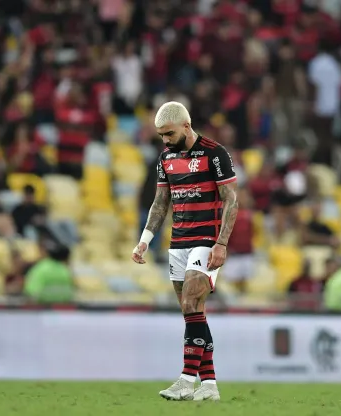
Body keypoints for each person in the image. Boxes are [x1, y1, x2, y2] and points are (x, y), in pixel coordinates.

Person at [131, 102, 239, 402]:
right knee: (193, 314)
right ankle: (209, 384)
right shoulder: (166, 158)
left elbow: (231, 200)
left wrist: (221, 243)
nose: (164, 140)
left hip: (207, 238)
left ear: (186, 126)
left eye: (168, 133)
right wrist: (145, 240)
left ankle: (185, 379)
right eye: (160, 135)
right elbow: (160, 203)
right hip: (178, 241)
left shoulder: (214, 153)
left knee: (192, 301)